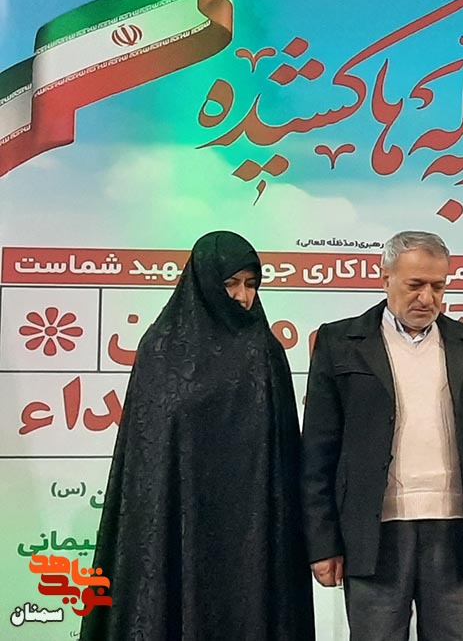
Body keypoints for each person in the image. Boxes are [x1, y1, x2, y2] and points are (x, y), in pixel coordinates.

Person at [81, 231, 314, 640]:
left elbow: (283, 457)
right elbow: (147, 460)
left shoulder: (265, 352)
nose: (243, 296)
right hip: (175, 523)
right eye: (231, 283)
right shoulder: (160, 350)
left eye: (251, 284)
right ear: (203, 282)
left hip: (250, 533)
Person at [301, 231, 463, 641]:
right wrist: (322, 543)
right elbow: (318, 452)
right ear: (384, 276)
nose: (427, 298)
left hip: (456, 530)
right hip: (373, 533)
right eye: (415, 285)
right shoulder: (340, 342)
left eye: (438, 286)